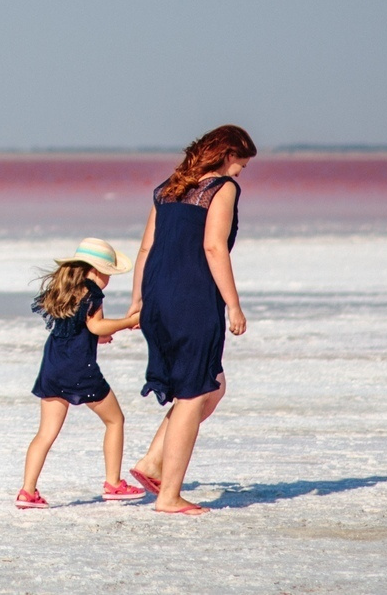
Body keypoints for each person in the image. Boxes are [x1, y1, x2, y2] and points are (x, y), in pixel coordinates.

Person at [127, 124, 256, 515]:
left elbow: (147, 247)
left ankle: (152, 463)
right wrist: (234, 305)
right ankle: (168, 496)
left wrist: (138, 301)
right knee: (193, 394)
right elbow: (214, 247)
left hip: (158, 297)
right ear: (227, 155)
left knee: (211, 385)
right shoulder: (221, 188)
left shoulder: (169, 187)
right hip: (192, 296)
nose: (239, 174)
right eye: (241, 165)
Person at [15, 238, 143, 509]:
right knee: (115, 420)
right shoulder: (92, 291)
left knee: (45, 433)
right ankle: (113, 483)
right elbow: (96, 325)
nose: (108, 278)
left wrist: (101, 336)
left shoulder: (65, 288)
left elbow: (77, 329)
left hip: (52, 364)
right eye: (108, 272)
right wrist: (129, 322)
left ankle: (27, 492)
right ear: (96, 270)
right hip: (79, 368)